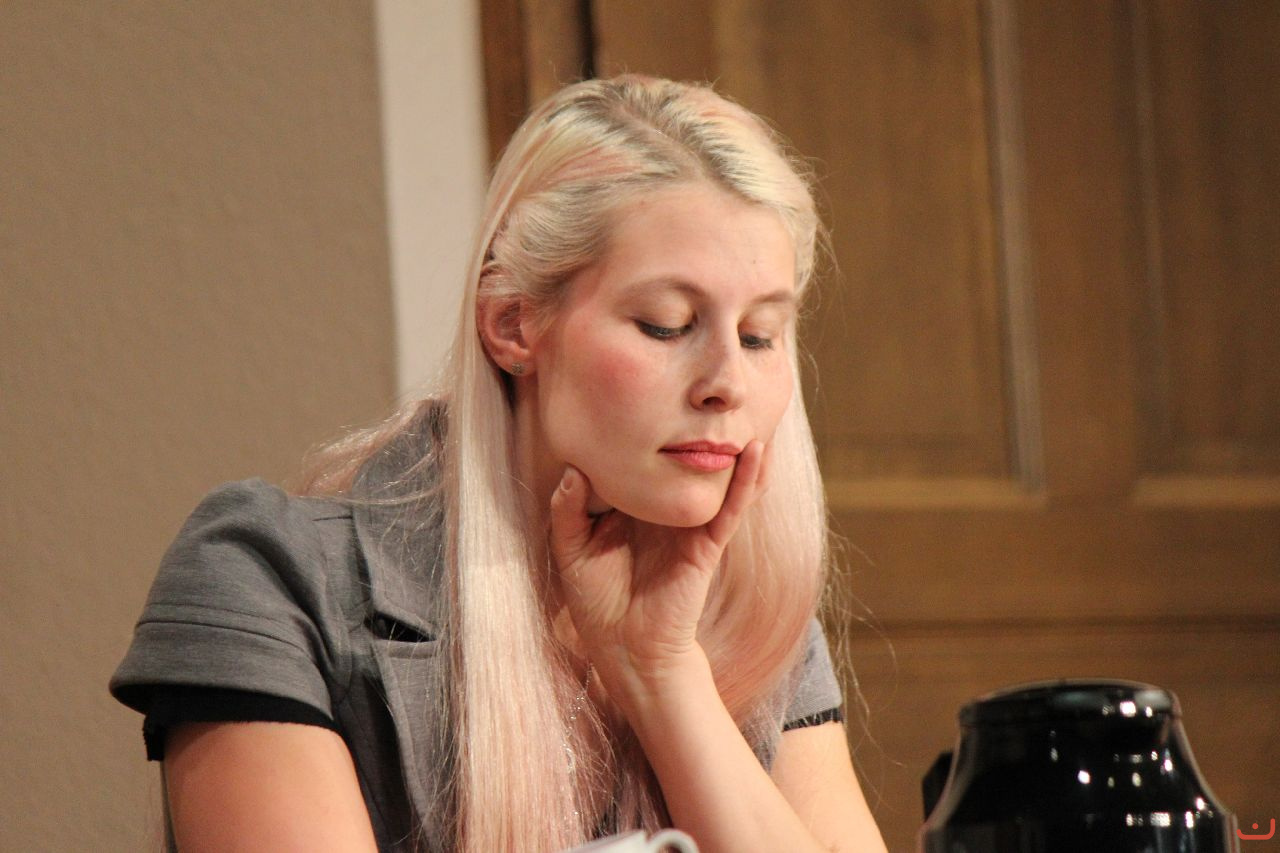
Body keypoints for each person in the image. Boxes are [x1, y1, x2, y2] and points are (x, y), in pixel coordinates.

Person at [111, 75, 887, 852]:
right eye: (666, 323)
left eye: (759, 336)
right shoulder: (273, 581)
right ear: (513, 324)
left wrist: (662, 673)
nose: (728, 383)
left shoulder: (752, 607)